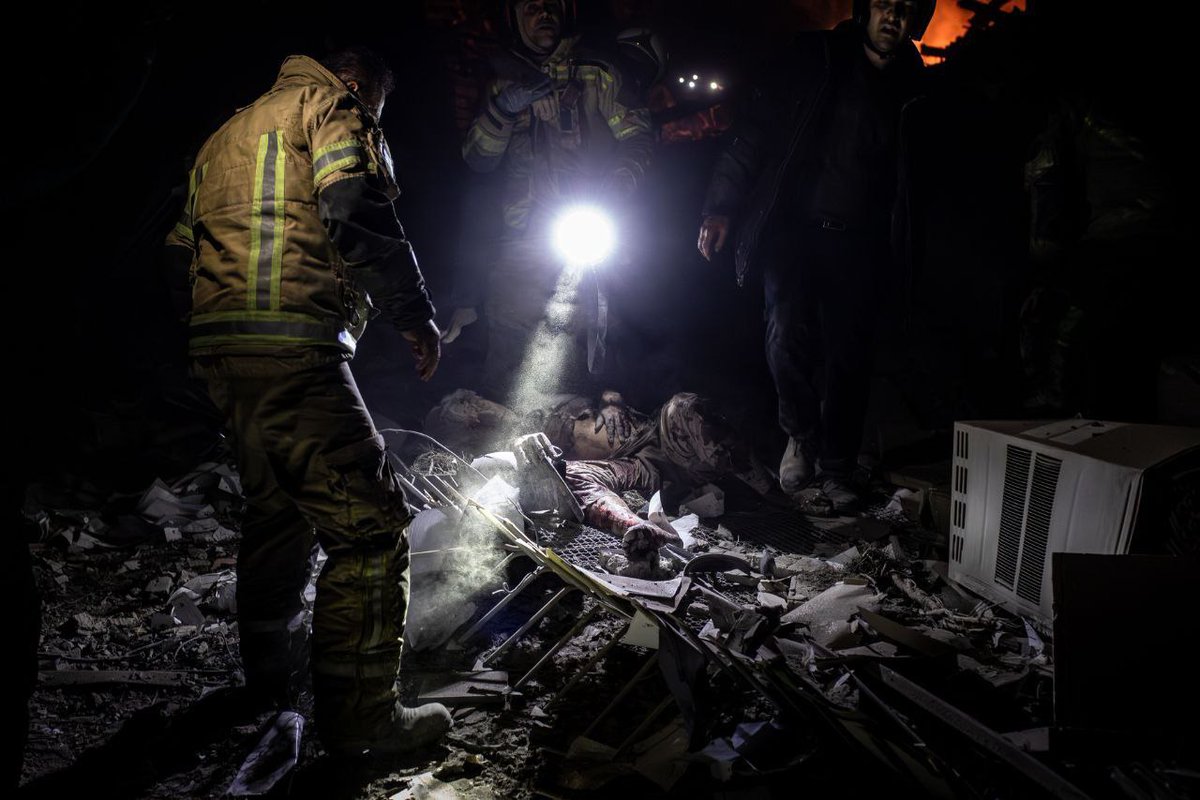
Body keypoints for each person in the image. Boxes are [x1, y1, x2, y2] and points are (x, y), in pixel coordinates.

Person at [163, 47, 451, 755]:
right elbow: (353, 204)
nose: (374, 120)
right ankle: (363, 720)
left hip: (224, 350)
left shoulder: (225, 132)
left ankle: (270, 675)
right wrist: (413, 313)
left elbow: (179, 247)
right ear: (361, 84)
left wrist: (217, 332)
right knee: (374, 529)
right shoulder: (329, 106)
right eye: (377, 107)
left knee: (279, 510)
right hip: (293, 345)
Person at [697, 0, 933, 512]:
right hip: (795, 230)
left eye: (906, 9)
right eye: (884, 5)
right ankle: (801, 436)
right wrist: (720, 207)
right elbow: (753, 131)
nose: (893, 17)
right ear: (866, 9)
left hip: (862, 240)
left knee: (850, 356)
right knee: (785, 339)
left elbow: (922, 182)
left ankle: (838, 466)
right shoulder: (817, 60)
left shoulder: (917, 90)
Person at [450, 0, 654, 403]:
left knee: (579, 356)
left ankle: (576, 453)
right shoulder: (500, 83)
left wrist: (617, 185)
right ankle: (501, 449)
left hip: (588, 235)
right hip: (521, 238)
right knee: (509, 355)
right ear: (514, 16)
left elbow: (639, 137)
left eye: (552, 6)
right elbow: (478, 157)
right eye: (531, 7)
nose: (544, 13)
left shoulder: (599, 73)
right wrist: (504, 109)